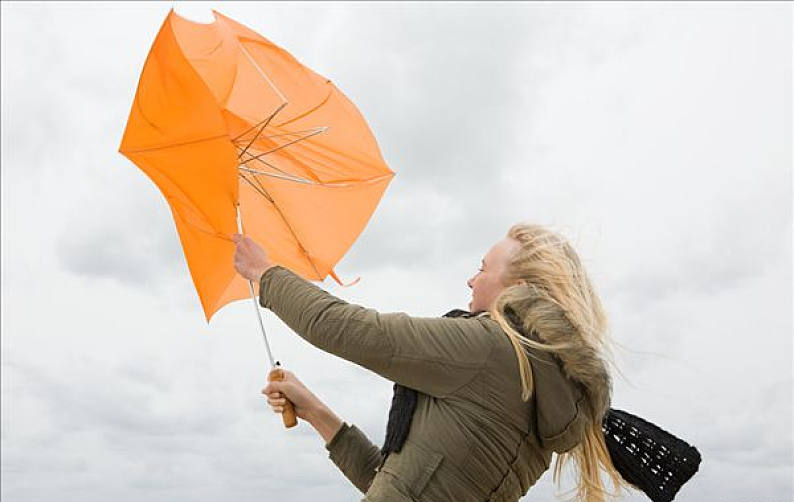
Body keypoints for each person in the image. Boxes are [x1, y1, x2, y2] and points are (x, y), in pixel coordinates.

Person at [232, 223, 631, 502]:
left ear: (520, 289)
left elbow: (350, 330)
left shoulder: (491, 351)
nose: (471, 281)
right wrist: (316, 412)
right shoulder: (541, 384)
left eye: (483, 268)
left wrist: (264, 273)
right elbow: (395, 485)